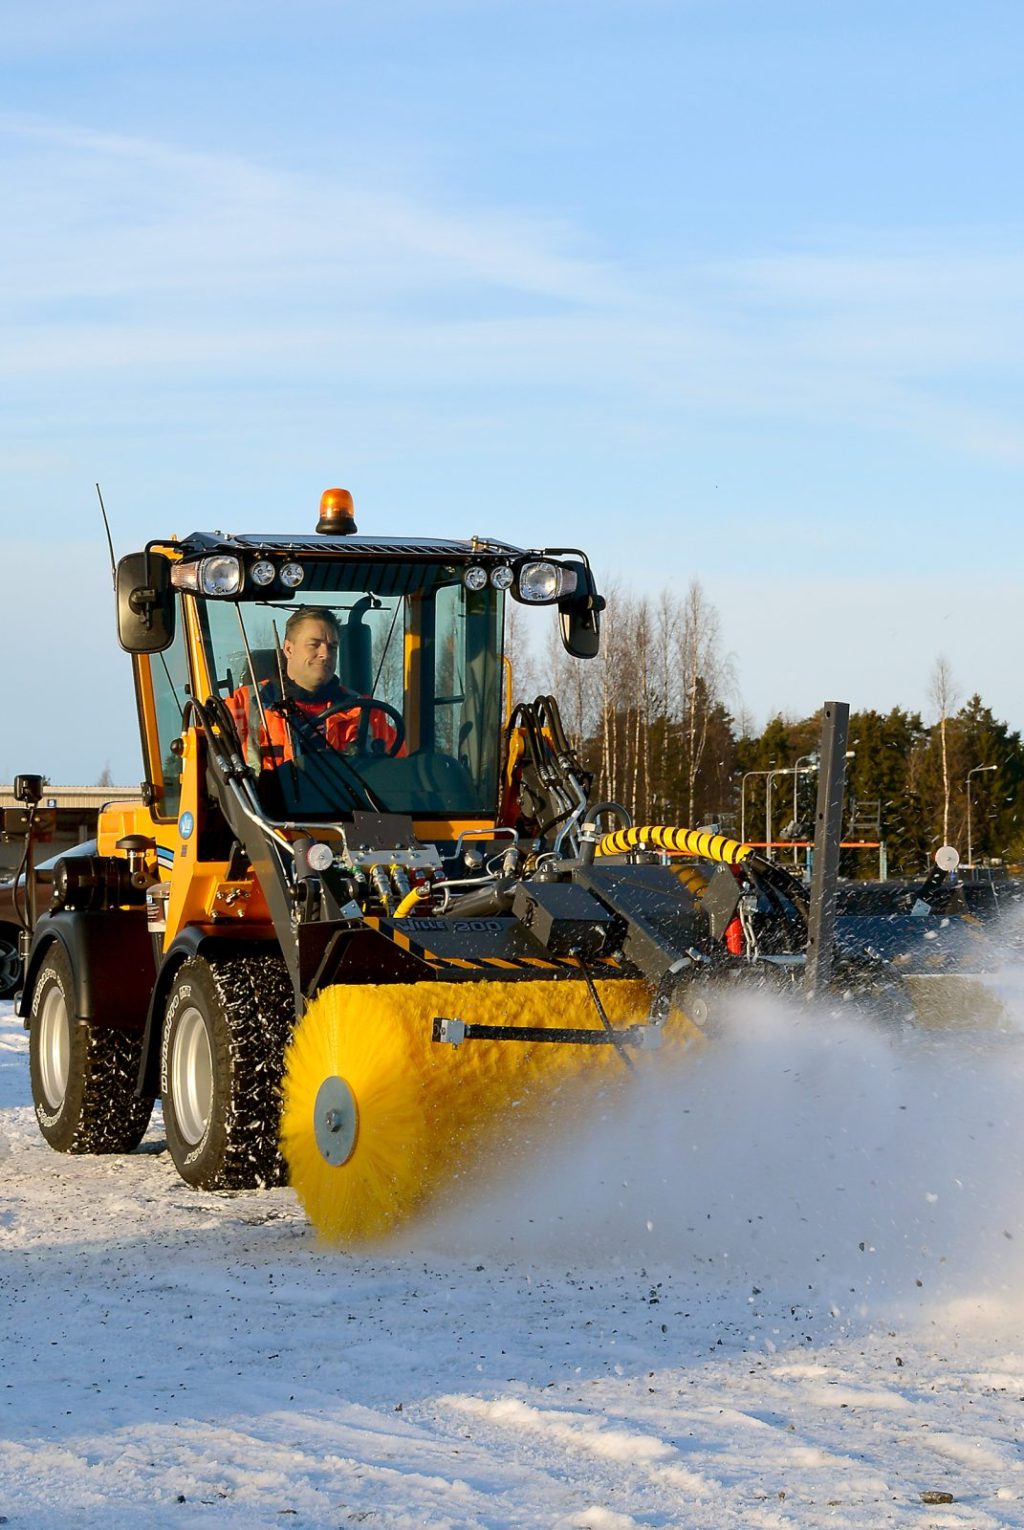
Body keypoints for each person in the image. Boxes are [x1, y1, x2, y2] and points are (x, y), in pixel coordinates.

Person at [227, 606, 399, 778]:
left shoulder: (367, 713)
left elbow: (399, 777)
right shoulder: (243, 706)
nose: (325, 654)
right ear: (288, 649)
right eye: (314, 645)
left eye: (332, 647)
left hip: (350, 796)